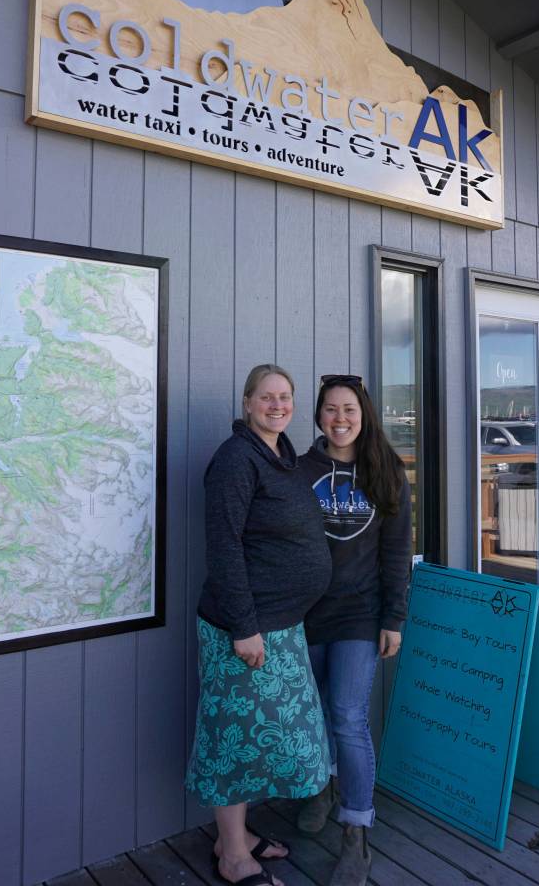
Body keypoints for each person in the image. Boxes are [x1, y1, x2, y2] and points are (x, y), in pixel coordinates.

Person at [185, 364, 333, 886]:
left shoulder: (282, 457)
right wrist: (243, 628)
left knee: (267, 739)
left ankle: (240, 835)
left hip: (281, 625)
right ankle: (231, 854)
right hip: (242, 628)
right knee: (234, 740)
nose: (278, 405)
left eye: (285, 397)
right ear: (247, 403)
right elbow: (224, 548)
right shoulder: (235, 460)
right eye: (267, 397)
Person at [296, 374, 412, 886]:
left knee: (347, 716)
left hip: (359, 615)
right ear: (318, 416)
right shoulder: (298, 470)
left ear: (364, 416)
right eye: (330, 410)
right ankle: (321, 787)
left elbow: (396, 551)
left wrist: (394, 618)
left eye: (350, 410)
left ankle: (355, 832)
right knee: (310, 711)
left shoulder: (385, 471)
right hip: (303, 612)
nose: (339, 419)